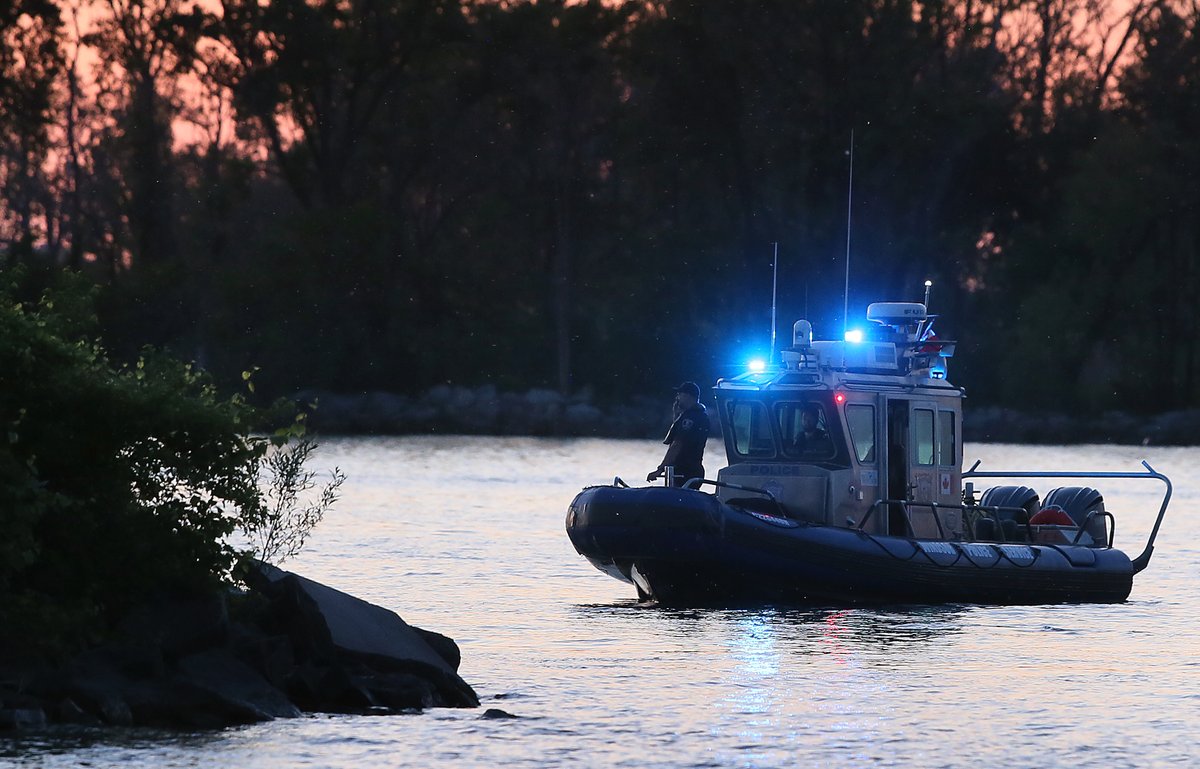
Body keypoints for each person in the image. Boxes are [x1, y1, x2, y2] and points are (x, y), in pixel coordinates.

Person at [647, 381, 710, 487]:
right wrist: (677, 415)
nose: (677, 397)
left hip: (684, 471)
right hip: (693, 471)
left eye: (680, 394)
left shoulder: (689, 419)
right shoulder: (701, 416)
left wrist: (660, 469)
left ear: (688, 395)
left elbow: (677, 445)